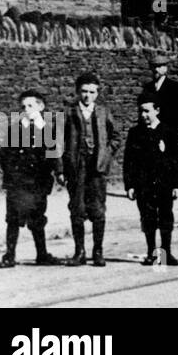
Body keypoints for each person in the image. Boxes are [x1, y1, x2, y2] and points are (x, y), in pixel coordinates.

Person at [60, 72, 121, 267]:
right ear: (77, 92)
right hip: (76, 167)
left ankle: (98, 251)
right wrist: (60, 169)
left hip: (97, 168)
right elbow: (56, 143)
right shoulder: (68, 113)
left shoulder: (103, 112)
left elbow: (116, 137)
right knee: (77, 208)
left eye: (92, 92)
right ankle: (79, 252)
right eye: (84, 91)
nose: (87, 96)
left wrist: (106, 153)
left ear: (97, 93)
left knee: (98, 209)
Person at [0, 90, 60, 267]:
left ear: (41, 106)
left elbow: (53, 155)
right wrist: (12, 175)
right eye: (23, 106)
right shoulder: (15, 129)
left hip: (38, 183)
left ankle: (42, 254)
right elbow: (5, 155)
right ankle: (9, 255)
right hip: (17, 183)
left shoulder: (47, 129)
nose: (27, 109)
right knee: (13, 219)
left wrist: (54, 174)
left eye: (31, 106)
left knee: (37, 218)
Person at [124, 92, 178, 266]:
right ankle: (151, 252)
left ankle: (166, 252)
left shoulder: (168, 132)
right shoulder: (135, 133)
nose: (143, 115)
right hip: (143, 184)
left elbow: (176, 161)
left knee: (166, 217)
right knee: (148, 217)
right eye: (141, 112)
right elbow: (129, 162)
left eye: (147, 111)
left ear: (157, 111)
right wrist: (129, 185)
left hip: (164, 183)